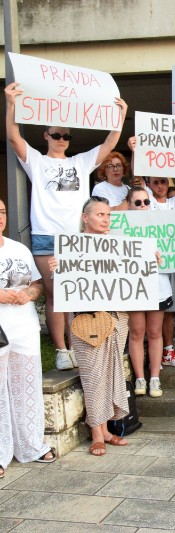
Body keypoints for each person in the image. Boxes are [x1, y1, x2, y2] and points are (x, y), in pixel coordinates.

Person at [4, 82, 128, 372]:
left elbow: (109, 145)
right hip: (47, 237)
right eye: (56, 135)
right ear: (46, 135)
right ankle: (62, 349)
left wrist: (120, 117)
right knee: (55, 294)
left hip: (77, 238)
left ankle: (79, 344)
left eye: (66, 136)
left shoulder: (80, 162)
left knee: (79, 292)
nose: (61, 139)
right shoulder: (36, 160)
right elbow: (12, 137)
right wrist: (10, 104)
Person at [51, 197, 131, 455]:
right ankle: (96, 432)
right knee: (93, 376)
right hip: (86, 320)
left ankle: (106, 430)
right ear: (85, 218)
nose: (106, 219)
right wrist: (56, 268)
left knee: (111, 374)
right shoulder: (71, 247)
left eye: (108, 215)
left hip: (117, 317)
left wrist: (149, 259)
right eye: (100, 215)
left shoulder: (121, 244)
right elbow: (64, 286)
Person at [0, 198, 55, 478]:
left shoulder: (18, 248)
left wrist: (30, 295)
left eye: (2, 212)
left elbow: (36, 284)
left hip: (24, 326)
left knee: (27, 387)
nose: (0, 217)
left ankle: (31, 445)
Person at [125, 187, 171, 397]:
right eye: (138, 203)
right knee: (136, 333)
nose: (143, 206)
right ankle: (140, 379)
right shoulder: (120, 228)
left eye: (146, 202)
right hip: (133, 289)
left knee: (155, 333)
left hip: (158, 286)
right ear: (129, 205)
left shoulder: (162, 224)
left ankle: (154, 378)